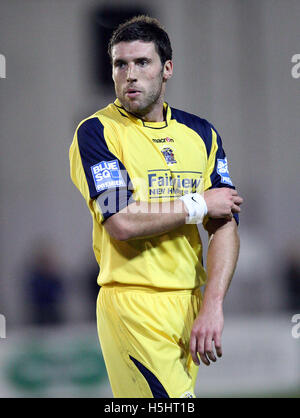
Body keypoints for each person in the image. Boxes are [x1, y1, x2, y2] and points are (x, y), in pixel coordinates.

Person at [69, 15, 243, 398]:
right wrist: (199, 203)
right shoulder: (98, 132)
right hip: (133, 305)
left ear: (167, 70)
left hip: (189, 303)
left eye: (142, 63)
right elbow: (121, 221)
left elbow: (225, 224)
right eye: (120, 64)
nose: (129, 74)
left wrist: (212, 304)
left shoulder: (201, 133)